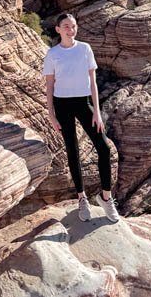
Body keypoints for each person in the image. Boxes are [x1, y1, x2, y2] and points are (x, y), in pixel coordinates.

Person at [43, 13, 119, 223]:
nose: (71, 30)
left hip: (84, 102)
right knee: (73, 151)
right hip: (62, 104)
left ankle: (106, 197)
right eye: (66, 26)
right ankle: (81, 198)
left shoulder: (84, 49)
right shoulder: (53, 54)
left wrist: (97, 111)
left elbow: (93, 82)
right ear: (58, 29)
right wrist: (51, 114)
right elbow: (49, 86)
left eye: (74, 26)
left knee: (103, 148)